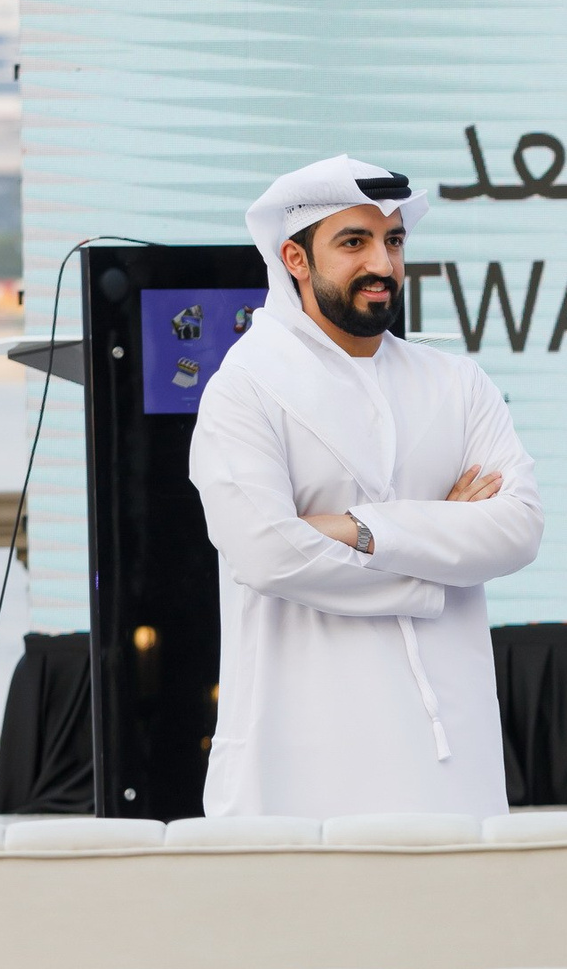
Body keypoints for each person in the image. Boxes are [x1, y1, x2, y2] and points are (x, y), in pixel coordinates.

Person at [191, 156, 543, 818]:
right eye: (354, 242)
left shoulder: (457, 383)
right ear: (295, 258)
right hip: (300, 755)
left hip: (449, 757)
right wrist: (438, 545)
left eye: (394, 240)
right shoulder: (245, 388)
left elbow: (518, 528)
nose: (382, 264)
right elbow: (266, 555)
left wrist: (351, 527)